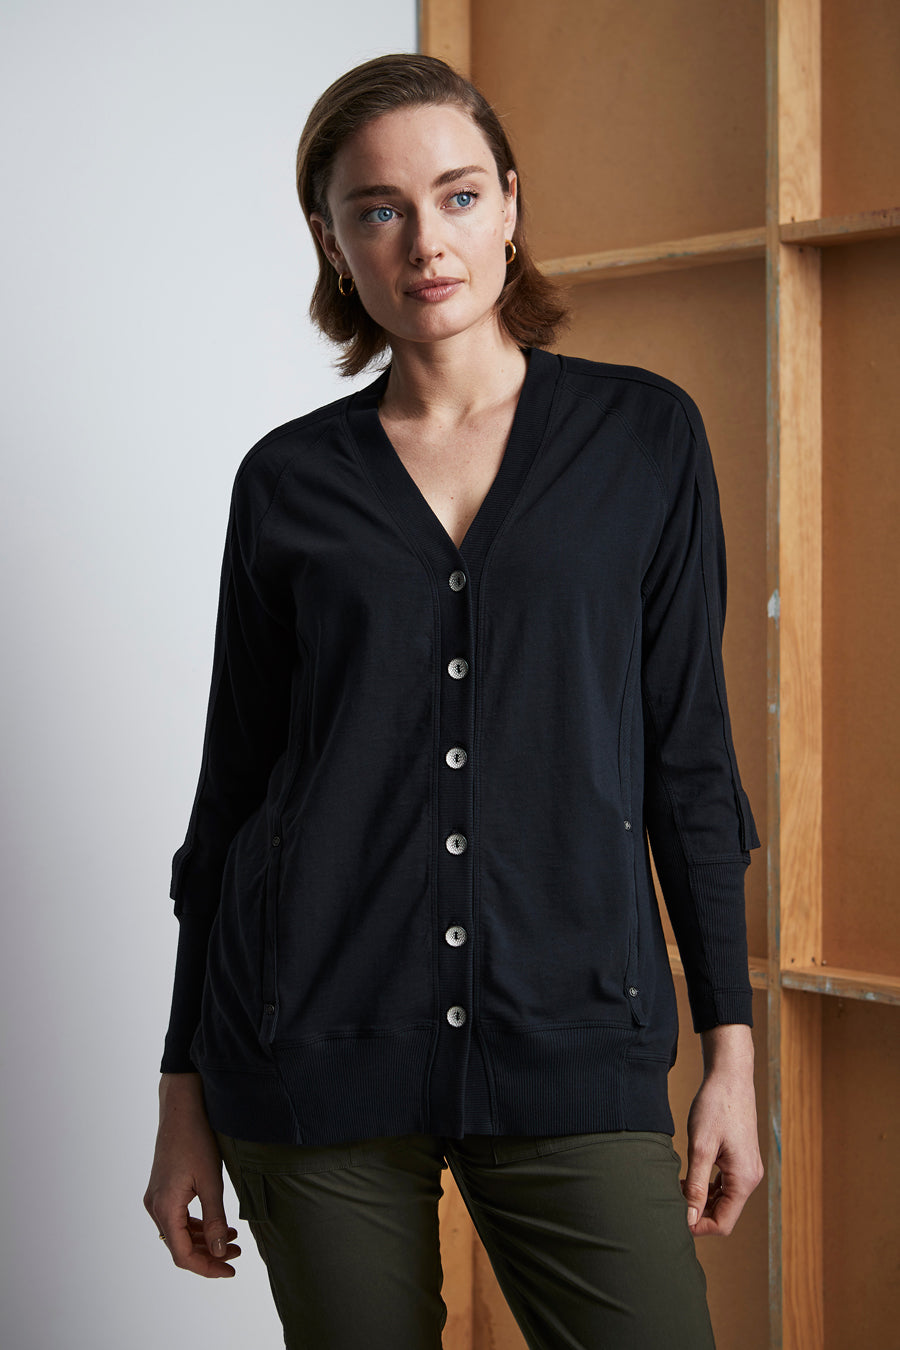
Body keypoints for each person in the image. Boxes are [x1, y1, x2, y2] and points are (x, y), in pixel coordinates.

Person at [144, 52, 764, 1350]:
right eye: (378, 208)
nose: (426, 240)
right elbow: (234, 792)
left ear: (511, 206)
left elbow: (689, 763)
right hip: (308, 1043)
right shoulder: (287, 483)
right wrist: (180, 1089)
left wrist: (731, 1048)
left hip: (573, 1034)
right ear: (333, 242)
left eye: (459, 195)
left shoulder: (644, 438)